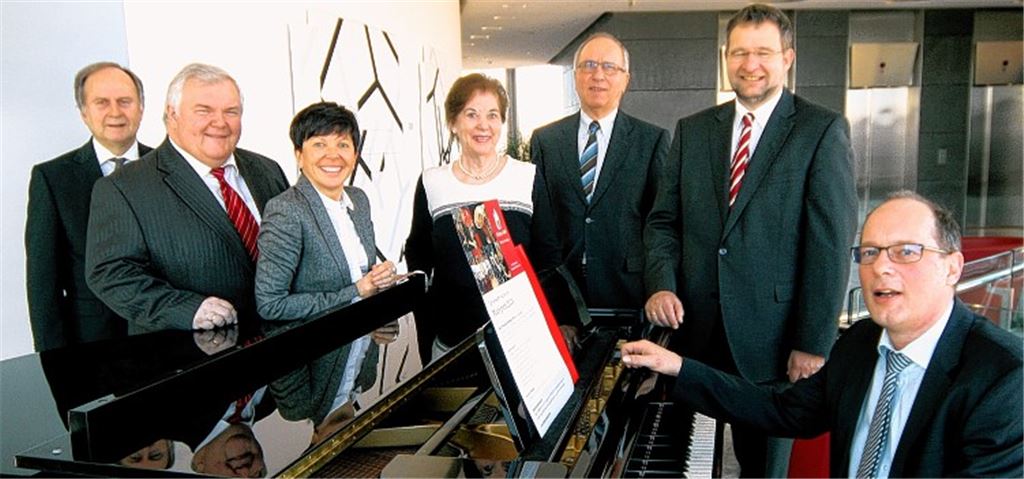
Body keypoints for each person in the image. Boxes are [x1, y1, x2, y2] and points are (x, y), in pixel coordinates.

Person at [623, 191, 1023, 478]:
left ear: (952, 267)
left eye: (906, 252)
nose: (881, 267)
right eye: (869, 252)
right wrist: (677, 367)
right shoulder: (861, 342)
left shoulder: (1005, 378)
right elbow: (780, 409)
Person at [642, 4, 857, 475]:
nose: (750, 64)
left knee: (760, 470)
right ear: (726, 56)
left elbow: (830, 245)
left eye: (763, 52)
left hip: (772, 348)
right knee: (683, 462)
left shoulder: (820, 131)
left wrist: (813, 343)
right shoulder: (694, 130)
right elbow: (663, 222)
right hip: (692, 340)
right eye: (740, 52)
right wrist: (661, 283)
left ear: (788, 57)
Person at [86, 63, 289, 333]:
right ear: (172, 115)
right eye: (204, 111)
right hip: (192, 357)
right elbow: (110, 273)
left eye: (231, 111)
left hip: (282, 349)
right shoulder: (124, 188)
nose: (220, 122)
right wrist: (186, 309)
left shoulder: (267, 170)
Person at [404, 73, 561, 360]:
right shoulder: (432, 182)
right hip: (451, 338)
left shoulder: (527, 177)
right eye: (471, 114)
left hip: (520, 339)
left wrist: (560, 322)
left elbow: (548, 257)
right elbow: (418, 253)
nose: (483, 125)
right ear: (453, 122)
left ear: (501, 122)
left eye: (492, 115)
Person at [530, 32, 670, 311]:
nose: (598, 75)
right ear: (575, 76)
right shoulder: (546, 141)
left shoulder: (651, 141)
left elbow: (660, 224)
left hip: (628, 292)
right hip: (564, 292)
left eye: (609, 67)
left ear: (625, 80)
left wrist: (660, 287)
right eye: (589, 65)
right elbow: (541, 226)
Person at [26, 62, 152, 351]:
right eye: (101, 103)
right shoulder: (53, 178)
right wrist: (55, 361)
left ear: (141, 108)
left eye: (125, 101)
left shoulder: (169, 168)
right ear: (84, 113)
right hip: (92, 346)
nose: (115, 112)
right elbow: (43, 284)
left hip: (167, 339)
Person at [255, 102, 397, 321]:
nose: (333, 155)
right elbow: (271, 305)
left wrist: (379, 278)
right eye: (319, 144)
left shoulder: (358, 199)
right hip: (320, 348)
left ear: (355, 154)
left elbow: (360, 276)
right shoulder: (286, 210)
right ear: (299, 155)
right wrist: (357, 291)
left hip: (363, 342)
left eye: (342, 145)